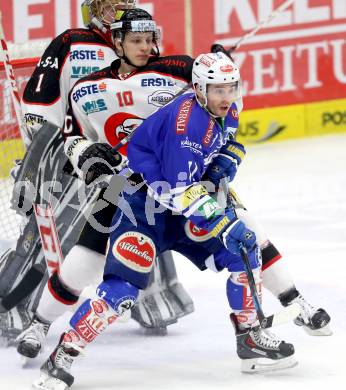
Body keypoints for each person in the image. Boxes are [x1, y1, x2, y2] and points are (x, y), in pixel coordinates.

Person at [17, 6, 331, 364]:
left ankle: (294, 302)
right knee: (83, 260)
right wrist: (86, 155)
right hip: (125, 186)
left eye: (151, 39)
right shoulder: (85, 90)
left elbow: (225, 100)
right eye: (136, 40)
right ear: (117, 42)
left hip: (188, 179)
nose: (146, 47)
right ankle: (40, 324)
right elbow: (73, 139)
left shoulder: (180, 69)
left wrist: (229, 142)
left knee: (247, 234)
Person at [33, 51, 298, 390]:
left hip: (183, 203)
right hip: (143, 207)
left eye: (230, 87)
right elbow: (178, 192)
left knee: (244, 255)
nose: (226, 96)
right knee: (121, 292)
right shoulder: (187, 128)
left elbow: (216, 148)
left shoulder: (227, 105)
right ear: (199, 89)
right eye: (217, 89)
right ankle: (62, 357)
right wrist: (226, 225)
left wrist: (225, 157)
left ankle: (250, 338)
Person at [0, 0, 194, 348]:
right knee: (53, 237)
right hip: (75, 160)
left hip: (128, 168)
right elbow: (41, 107)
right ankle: (12, 308)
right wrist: (40, 160)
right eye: (107, 4)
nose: (115, 10)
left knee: (143, 227)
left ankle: (154, 298)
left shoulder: (144, 44)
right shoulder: (71, 42)